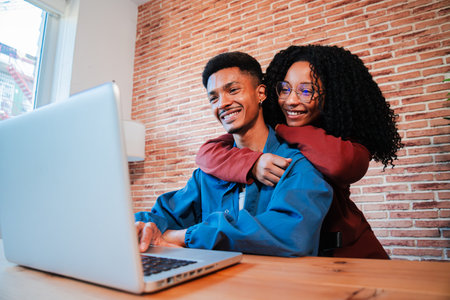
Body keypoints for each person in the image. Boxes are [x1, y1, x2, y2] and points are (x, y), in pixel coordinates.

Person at [195, 45, 403, 259]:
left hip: (350, 257)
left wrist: (281, 130)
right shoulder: (273, 133)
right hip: (305, 261)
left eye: (306, 90)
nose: (291, 100)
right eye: (285, 89)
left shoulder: (341, 142)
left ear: (330, 95)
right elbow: (206, 154)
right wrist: (253, 163)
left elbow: (341, 163)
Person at [134, 51, 333, 257]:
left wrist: (186, 236)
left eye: (233, 90)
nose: (222, 103)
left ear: (261, 93)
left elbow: (290, 235)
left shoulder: (296, 164)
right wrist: (141, 228)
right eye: (214, 98)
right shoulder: (208, 174)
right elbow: (163, 215)